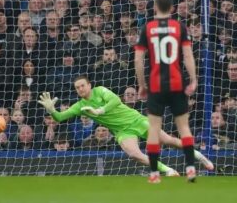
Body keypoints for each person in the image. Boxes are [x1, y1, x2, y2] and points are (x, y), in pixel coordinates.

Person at [38, 76, 213, 179]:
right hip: (122, 131)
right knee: (134, 154)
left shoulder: (100, 91)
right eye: (77, 87)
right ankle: (168, 170)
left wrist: (100, 110)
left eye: (83, 85)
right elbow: (60, 118)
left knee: (167, 140)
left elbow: (115, 100)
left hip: (136, 120)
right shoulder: (79, 106)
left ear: (89, 85)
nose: (80, 89)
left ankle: (200, 157)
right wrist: (51, 110)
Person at [134, 0, 199, 183]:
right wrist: (193, 80)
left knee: (154, 129)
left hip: (155, 85)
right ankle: (191, 169)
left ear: (155, 7)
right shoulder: (180, 27)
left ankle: (154, 174)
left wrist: (142, 84)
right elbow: (188, 56)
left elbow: (138, 59)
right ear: (172, 9)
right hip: (177, 83)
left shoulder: (147, 28)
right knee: (184, 128)